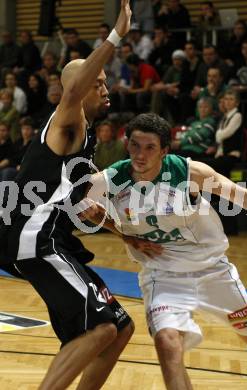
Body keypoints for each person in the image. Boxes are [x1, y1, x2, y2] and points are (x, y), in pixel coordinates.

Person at [82, 112, 247, 390]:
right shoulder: (111, 179)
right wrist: (124, 234)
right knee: (167, 343)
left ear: (164, 151)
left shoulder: (188, 173)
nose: (140, 155)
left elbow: (238, 195)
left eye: (149, 148)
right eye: (134, 145)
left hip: (212, 269)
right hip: (162, 273)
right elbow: (85, 207)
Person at [0, 2, 134, 389]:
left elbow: (85, 205)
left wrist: (126, 233)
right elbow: (74, 87)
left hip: (48, 239)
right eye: (98, 83)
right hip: (34, 238)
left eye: (106, 82)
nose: (105, 89)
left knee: (119, 328)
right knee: (102, 328)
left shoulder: (84, 141)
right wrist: (115, 36)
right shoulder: (68, 118)